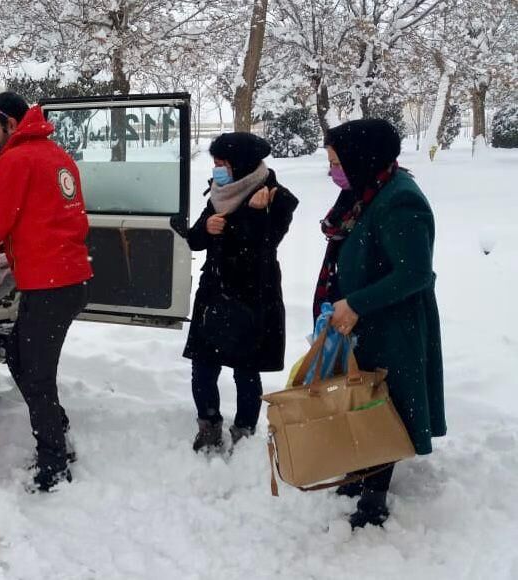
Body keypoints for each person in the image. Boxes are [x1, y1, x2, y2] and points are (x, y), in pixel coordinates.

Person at [320, 118, 445, 529]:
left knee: (381, 403)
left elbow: (414, 274)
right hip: (366, 321)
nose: (331, 170)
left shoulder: (399, 200)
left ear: (362, 159)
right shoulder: (367, 192)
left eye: (336, 161)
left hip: (393, 324)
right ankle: (361, 476)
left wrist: (356, 302)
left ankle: (373, 498)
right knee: (364, 395)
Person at [0, 91, 93, 492]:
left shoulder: (17, 159)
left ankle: (54, 463)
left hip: (50, 284)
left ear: (10, 122)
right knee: (20, 354)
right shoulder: (56, 155)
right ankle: (57, 427)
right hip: (67, 279)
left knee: (35, 374)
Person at [183, 132, 299, 453]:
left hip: (252, 297)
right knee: (203, 366)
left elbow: (263, 247)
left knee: (246, 370)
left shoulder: (277, 197)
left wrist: (250, 217)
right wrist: (206, 229)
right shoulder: (221, 193)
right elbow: (195, 240)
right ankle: (208, 425)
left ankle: (245, 432)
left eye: (222, 164)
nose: (217, 170)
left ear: (242, 163)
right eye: (215, 163)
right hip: (214, 294)